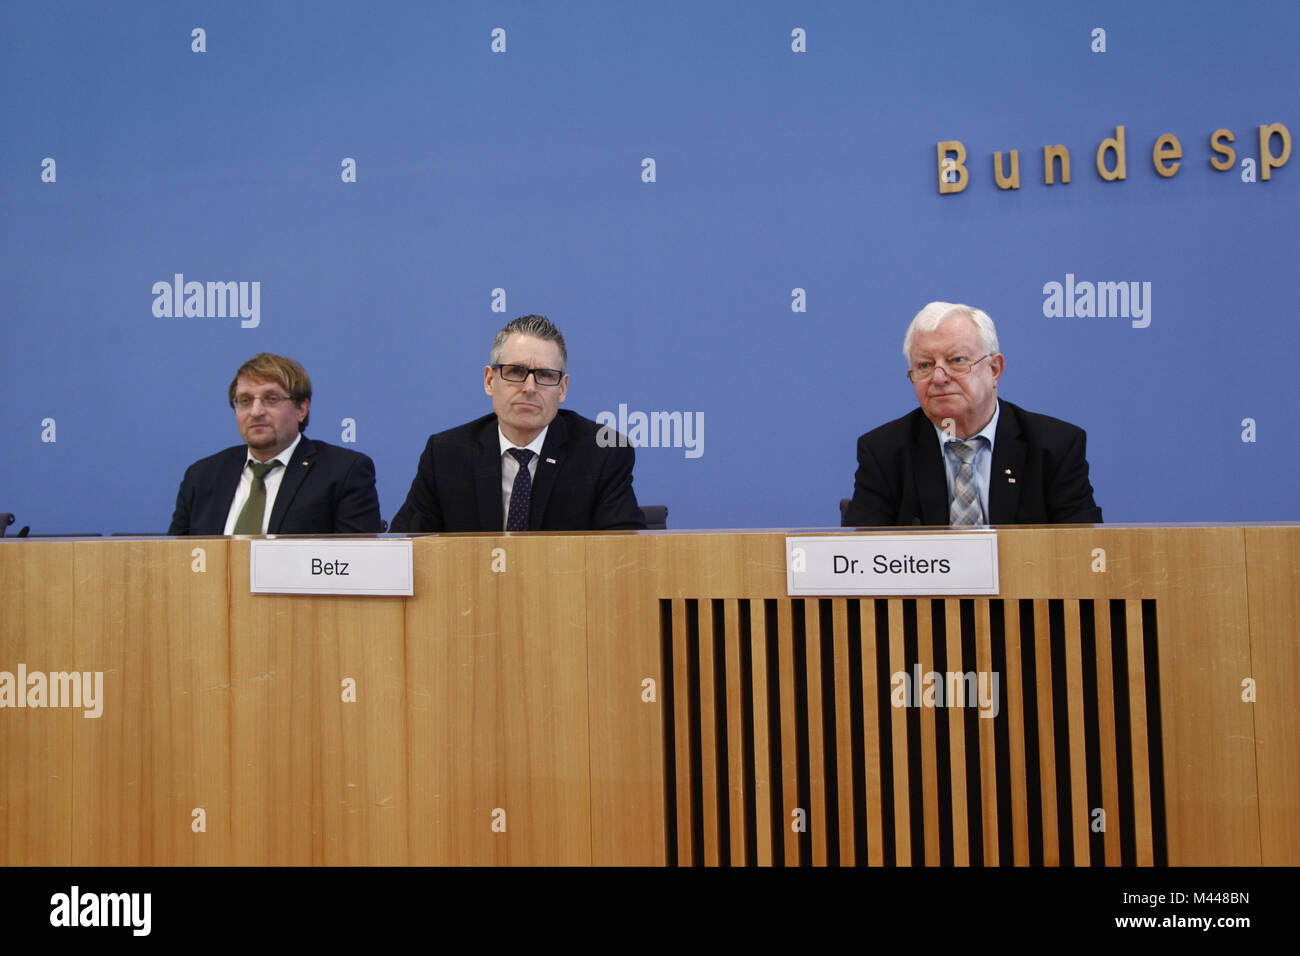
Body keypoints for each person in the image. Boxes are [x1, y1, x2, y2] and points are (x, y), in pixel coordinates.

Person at [843, 302, 1102, 527]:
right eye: (924, 365)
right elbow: (861, 563)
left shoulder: (1054, 447)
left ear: (994, 369)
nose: (939, 378)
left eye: (956, 360)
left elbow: (1082, 555)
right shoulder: (884, 452)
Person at [390, 314, 645, 532]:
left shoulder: (602, 454)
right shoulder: (446, 454)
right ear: (490, 381)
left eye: (545, 375)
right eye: (515, 372)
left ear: (563, 388)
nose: (530, 388)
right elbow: (404, 550)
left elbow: (623, 559)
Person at [169, 353, 383, 534]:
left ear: (301, 409)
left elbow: (356, 567)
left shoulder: (342, 472)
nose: (256, 412)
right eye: (245, 401)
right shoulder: (202, 476)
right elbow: (173, 562)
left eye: (271, 399)